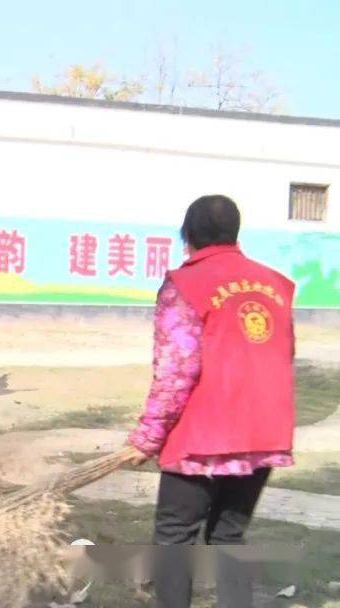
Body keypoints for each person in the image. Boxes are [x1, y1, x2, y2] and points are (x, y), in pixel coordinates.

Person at [126, 195, 295, 608]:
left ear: (188, 235)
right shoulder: (275, 284)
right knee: (229, 538)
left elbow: (174, 371)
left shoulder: (184, 285)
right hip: (262, 434)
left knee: (174, 539)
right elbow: (284, 353)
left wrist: (147, 439)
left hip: (203, 437)